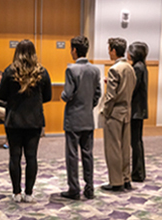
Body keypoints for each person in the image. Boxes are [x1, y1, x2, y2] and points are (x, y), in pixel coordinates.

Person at [0, 39, 52, 203]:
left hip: (14, 121)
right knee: (31, 157)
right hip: (34, 121)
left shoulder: (9, 71)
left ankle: (16, 193)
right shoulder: (42, 72)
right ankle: (29, 193)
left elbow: (1, 95)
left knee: (15, 156)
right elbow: (48, 96)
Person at [60, 36, 101, 200]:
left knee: (72, 155)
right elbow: (97, 94)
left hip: (73, 119)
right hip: (88, 118)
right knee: (87, 154)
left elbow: (67, 94)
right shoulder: (95, 70)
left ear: (74, 50)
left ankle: (74, 189)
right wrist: (88, 106)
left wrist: (63, 96)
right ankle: (89, 188)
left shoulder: (71, 70)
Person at [101, 37, 136, 191]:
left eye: (109, 49)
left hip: (115, 113)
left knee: (113, 148)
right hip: (127, 111)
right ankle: (126, 178)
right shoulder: (130, 68)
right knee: (125, 148)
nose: (108, 52)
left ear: (114, 51)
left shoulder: (114, 69)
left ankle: (116, 181)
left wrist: (105, 112)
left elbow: (111, 97)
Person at [127, 42, 149, 182]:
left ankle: (138, 173)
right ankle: (139, 171)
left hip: (135, 110)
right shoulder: (142, 67)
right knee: (137, 141)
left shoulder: (137, 68)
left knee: (135, 142)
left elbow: (131, 88)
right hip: (139, 109)